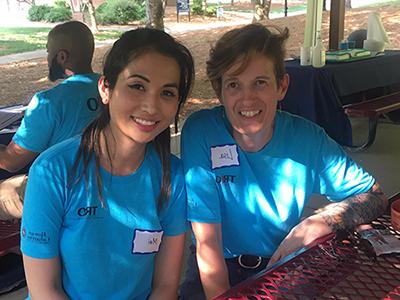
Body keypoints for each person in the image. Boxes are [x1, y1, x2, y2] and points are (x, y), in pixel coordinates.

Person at [179, 23, 388, 300]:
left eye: (260, 82)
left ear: (282, 86)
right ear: (220, 92)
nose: (247, 98)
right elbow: (208, 244)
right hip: (216, 264)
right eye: (233, 84)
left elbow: (373, 196)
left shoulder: (308, 140)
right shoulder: (201, 132)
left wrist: (321, 221)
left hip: (282, 263)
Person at [20, 28, 194, 299]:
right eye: (137, 86)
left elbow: (165, 287)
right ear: (105, 88)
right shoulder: (52, 172)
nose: (151, 105)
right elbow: (45, 290)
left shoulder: (172, 177)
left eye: (167, 93)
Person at [0, 21, 101, 220]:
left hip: (66, 192)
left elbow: (11, 161)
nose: (47, 58)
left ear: (62, 57)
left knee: (6, 191)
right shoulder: (113, 88)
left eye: (48, 52)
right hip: (110, 184)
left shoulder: (47, 102)